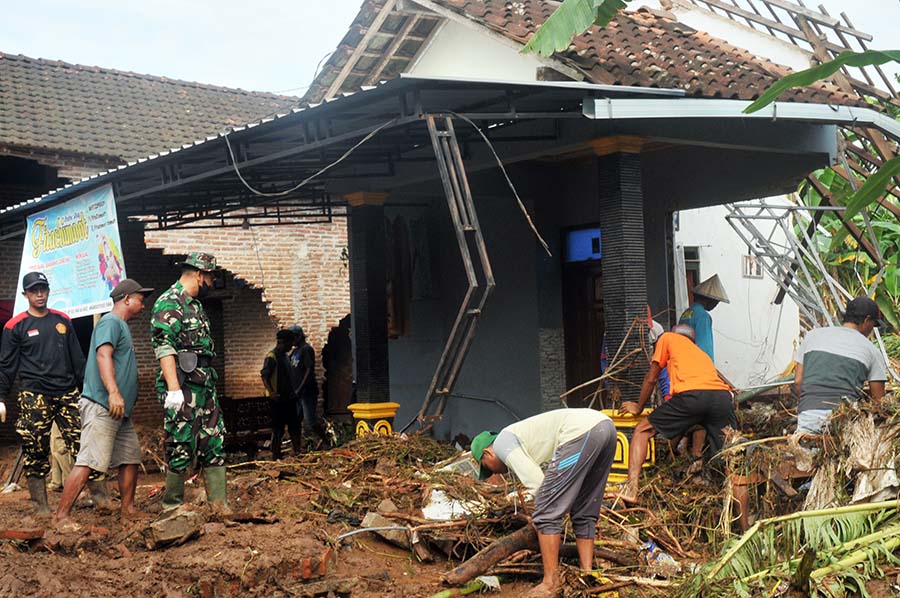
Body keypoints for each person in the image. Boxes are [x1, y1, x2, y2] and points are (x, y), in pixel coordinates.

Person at [472, 408, 616, 595]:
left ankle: (550, 583)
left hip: (581, 432)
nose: (495, 473)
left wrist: (541, 518)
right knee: (584, 508)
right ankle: (587, 573)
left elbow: (538, 483)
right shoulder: (520, 435)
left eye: (487, 468)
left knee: (546, 511)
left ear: (487, 453)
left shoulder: (502, 444)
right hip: (606, 427)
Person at [54, 279, 154, 526]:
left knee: (130, 457)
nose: (143, 305)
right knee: (89, 460)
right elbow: (103, 355)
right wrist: (113, 392)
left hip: (120, 412)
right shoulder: (110, 322)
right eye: (140, 300)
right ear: (126, 299)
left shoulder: (121, 325)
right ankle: (62, 516)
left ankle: (127, 510)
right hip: (103, 405)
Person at [617, 324, 736, 505]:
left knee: (642, 430)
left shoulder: (668, 338)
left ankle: (631, 490)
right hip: (722, 398)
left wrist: (638, 407)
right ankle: (741, 519)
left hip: (693, 396)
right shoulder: (701, 355)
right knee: (731, 456)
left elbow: (651, 378)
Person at [0, 272, 86, 514]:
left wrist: (87, 390)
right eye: (34, 290)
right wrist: (0, 396)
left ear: (48, 291)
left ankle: (98, 496)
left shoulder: (63, 320)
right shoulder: (15, 326)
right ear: (25, 294)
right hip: (34, 395)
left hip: (68, 393)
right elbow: (6, 365)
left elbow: (78, 360)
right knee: (35, 448)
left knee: (83, 443)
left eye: (43, 289)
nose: (40, 294)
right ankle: (41, 506)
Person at [151, 253, 228, 512]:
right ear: (198, 274)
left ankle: (220, 505)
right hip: (183, 386)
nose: (211, 283)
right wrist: (173, 390)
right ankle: (172, 507)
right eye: (210, 277)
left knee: (214, 439)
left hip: (205, 384)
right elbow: (164, 347)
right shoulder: (169, 303)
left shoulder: (195, 305)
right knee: (181, 444)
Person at [794, 296, 887, 434]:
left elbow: (798, 381)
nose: (871, 330)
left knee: (807, 451)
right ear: (867, 320)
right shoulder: (872, 350)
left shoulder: (812, 336)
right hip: (843, 420)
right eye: (873, 325)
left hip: (808, 416)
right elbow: (879, 402)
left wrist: (812, 404)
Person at [261, 329, 302, 458]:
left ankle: (297, 452)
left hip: (289, 399)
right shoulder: (272, 357)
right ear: (283, 342)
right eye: (290, 343)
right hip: (278, 400)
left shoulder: (285, 356)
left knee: (294, 427)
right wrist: (271, 392)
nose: (292, 346)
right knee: (278, 429)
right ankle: (276, 455)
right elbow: (264, 376)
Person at [288, 326, 327, 445]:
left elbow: (309, 370)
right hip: (296, 392)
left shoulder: (306, 349)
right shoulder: (295, 351)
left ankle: (326, 441)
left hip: (307, 392)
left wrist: (300, 388)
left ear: (298, 336)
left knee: (310, 421)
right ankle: (298, 446)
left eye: (292, 338)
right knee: (295, 421)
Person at [678, 274, 729, 362]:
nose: (715, 305)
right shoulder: (703, 316)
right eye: (716, 302)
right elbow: (705, 347)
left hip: (684, 360)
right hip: (697, 364)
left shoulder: (686, 313)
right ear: (709, 300)